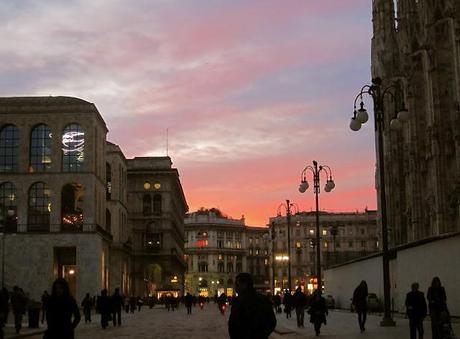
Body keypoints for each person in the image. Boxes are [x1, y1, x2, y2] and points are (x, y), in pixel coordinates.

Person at [228, 273, 276, 339]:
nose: (235, 287)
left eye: (237, 284)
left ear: (244, 284)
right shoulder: (263, 299)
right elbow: (272, 322)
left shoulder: (239, 301)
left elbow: (233, 326)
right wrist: (262, 335)